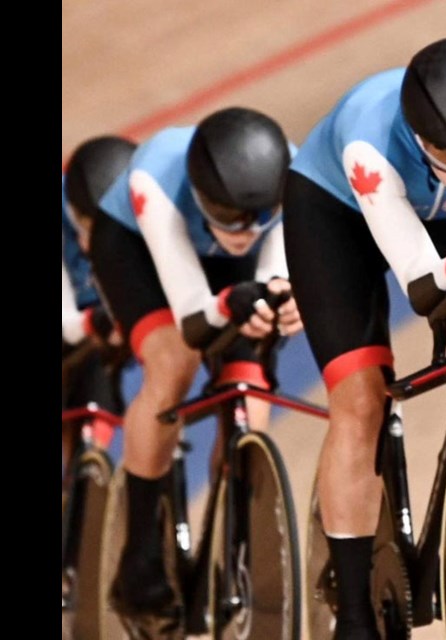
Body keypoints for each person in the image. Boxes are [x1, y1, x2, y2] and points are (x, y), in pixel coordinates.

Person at [283, 38, 446, 637]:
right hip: (336, 217)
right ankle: (352, 608)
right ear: (422, 139)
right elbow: (424, 288)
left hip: (438, 213)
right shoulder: (369, 144)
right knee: (361, 400)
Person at [88, 106, 303, 628]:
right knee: (173, 367)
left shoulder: (293, 177)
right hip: (138, 251)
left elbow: (276, 273)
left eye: (257, 216)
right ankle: (140, 550)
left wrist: (281, 296)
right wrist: (237, 303)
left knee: (250, 388)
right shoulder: (155, 177)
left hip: (230, 267)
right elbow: (191, 315)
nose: (245, 228)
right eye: (230, 216)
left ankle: (234, 530)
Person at [62, 135, 136, 473]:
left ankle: (90, 471)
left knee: (100, 361)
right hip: (73, 322)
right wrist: (97, 322)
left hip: (94, 336)